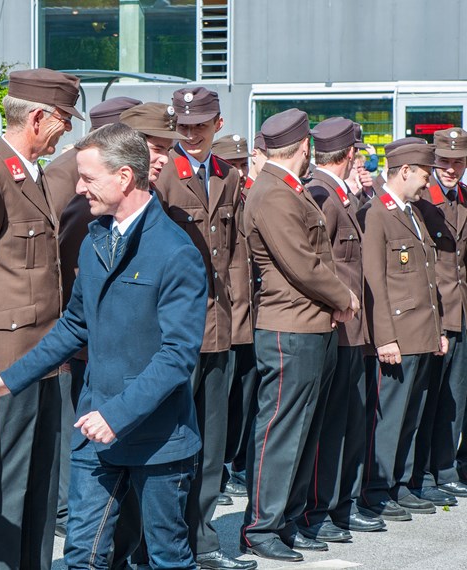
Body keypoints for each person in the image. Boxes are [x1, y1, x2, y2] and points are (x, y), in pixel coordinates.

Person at [0, 122, 207, 570]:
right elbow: (74, 327)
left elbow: (177, 356)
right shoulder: (98, 237)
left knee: (167, 557)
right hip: (94, 432)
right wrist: (9, 379)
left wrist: (116, 415)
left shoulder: (176, 251)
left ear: (124, 178)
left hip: (157, 439)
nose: (78, 188)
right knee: (82, 555)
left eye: (88, 178)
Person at [0, 68, 82, 570]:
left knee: (40, 487)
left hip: (45, 358)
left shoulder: (28, 174)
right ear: (36, 118)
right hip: (3, 363)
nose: (67, 130)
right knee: (1, 491)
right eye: (62, 119)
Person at [240, 108, 359, 562]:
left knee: (303, 429)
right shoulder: (273, 193)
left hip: (309, 324)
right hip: (289, 327)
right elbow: (302, 263)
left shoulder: (286, 189)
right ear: (304, 147)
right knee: (281, 431)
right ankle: (260, 527)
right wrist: (344, 298)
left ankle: (285, 520)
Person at [35, 95, 142, 539]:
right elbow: (71, 268)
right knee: (81, 449)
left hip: (92, 341)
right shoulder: (77, 186)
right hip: (82, 341)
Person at [152, 87, 243, 569]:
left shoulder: (227, 176)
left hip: (220, 326)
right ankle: (164, 541)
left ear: (218, 124)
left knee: (212, 439)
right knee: (172, 438)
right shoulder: (164, 176)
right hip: (177, 329)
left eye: (201, 125)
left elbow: (234, 256)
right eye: (184, 126)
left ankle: (203, 537)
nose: (192, 134)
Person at [302, 117, 385, 539]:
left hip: (355, 330)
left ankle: (340, 506)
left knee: (351, 424)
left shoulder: (339, 194)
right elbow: (322, 264)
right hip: (337, 327)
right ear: (350, 153)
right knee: (331, 427)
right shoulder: (321, 195)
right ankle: (320, 510)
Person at [359, 138, 447, 521]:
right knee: (391, 417)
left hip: (422, 332)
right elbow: (374, 280)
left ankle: (401, 483)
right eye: (423, 174)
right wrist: (386, 337)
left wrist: (438, 329)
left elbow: (427, 278)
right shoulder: (377, 213)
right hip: (398, 335)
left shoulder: (412, 212)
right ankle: (377, 488)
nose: (427, 182)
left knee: (412, 414)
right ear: (405, 171)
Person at [412, 127, 467, 503]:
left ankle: (446, 469)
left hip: (460, 310)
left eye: (457, 162)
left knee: (455, 398)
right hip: (434, 312)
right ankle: (424, 474)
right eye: (444, 162)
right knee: (429, 398)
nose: (450, 169)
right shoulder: (422, 201)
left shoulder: (464, 197)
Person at [211, 133, 254, 504]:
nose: (239, 171)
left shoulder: (248, 197)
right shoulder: (219, 195)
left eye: (243, 164)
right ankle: (219, 473)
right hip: (225, 318)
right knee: (220, 403)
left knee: (241, 400)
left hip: (246, 319)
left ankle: (234, 464)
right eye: (232, 165)